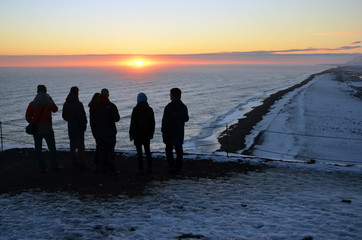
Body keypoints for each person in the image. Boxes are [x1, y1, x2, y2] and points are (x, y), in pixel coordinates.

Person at [25, 85, 59, 172]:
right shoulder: (49, 102)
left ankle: (41, 167)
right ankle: (54, 167)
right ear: (45, 91)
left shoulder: (32, 104)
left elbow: (28, 117)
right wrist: (50, 99)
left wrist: (33, 121)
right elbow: (55, 109)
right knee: (52, 149)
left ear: (37, 92)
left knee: (38, 149)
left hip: (37, 130)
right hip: (48, 129)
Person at [90, 88, 120, 174]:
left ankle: (101, 169)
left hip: (99, 133)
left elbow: (92, 122)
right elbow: (117, 119)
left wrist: (94, 133)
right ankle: (111, 169)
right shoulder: (112, 106)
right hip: (110, 133)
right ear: (108, 95)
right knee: (110, 152)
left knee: (101, 152)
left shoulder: (94, 107)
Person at [161, 88, 189, 173]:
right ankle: (178, 167)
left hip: (169, 132)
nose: (169, 95)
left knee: (169, 150)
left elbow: (164, 121)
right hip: (179, 132)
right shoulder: (183, 107)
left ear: (173, 95)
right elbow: (186, 119)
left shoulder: (168, 107)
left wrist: (163, 130)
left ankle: (171, 165)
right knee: (179, 150)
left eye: (170, 94)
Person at [129, 92, 155, 175]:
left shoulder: (135, 110)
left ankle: (141, 169)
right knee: (148, 151)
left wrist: (131, 134)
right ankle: (150, 168)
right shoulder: (150, 109)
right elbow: (152, 123)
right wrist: (152, 133)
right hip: (147, 134)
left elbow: (133, 123)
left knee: (139, 153)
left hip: (137, 135)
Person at [62, 86, 87, 169]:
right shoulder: (78, 104)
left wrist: (70, 120)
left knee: (72, 145)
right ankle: (81, 163)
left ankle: (73, 162)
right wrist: (84, 125)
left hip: (71, 127)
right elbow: (82, 117)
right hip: (79, 127)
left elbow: (64, 116)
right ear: (77, 92)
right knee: (80, 146)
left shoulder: (66, 103)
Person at [88, 92, 100, 167]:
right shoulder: (97, 107)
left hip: (94, 129)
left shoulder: (91, 107)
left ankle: (96, 161)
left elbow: (92, 121)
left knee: (98, 145)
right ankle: (96, 161)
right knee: (99, 146)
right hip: (98, 129)